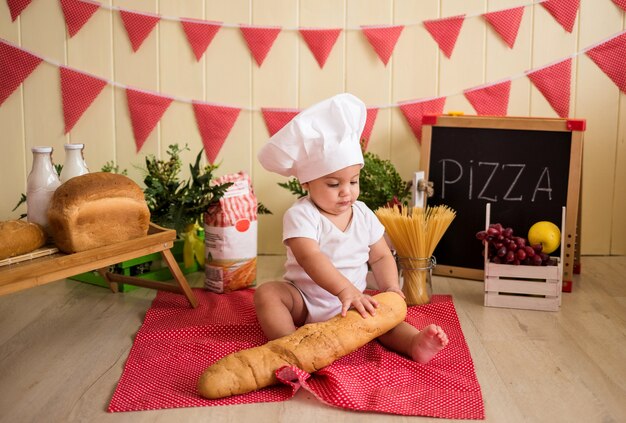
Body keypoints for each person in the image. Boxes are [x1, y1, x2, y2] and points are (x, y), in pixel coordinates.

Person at [255, 93, 448, 364]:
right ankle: (289, 345)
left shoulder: (363, 214)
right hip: (305, 300)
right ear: (306, 184)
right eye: (334, 185)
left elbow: (380, 255)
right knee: (268, 294)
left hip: (354, 304)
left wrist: (391, 287)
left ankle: (414, 343)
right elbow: (310, 257)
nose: (346, 192)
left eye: (353, 181)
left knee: (383, 319)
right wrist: (344, 289)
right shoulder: (301, 215)